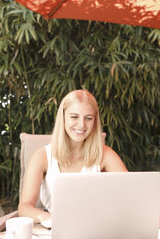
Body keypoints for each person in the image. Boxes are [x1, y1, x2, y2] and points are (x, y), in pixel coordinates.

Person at [18, 90, 128, 225]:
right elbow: (24, 207)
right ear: (63, 117)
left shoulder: (106, 155)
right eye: (74, 117)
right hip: (55, 229)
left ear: (95, 120)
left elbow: (130, 195)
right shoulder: (42, 156)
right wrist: (45, 218)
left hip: (96, 227)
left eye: (88, 118)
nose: (81, 125)